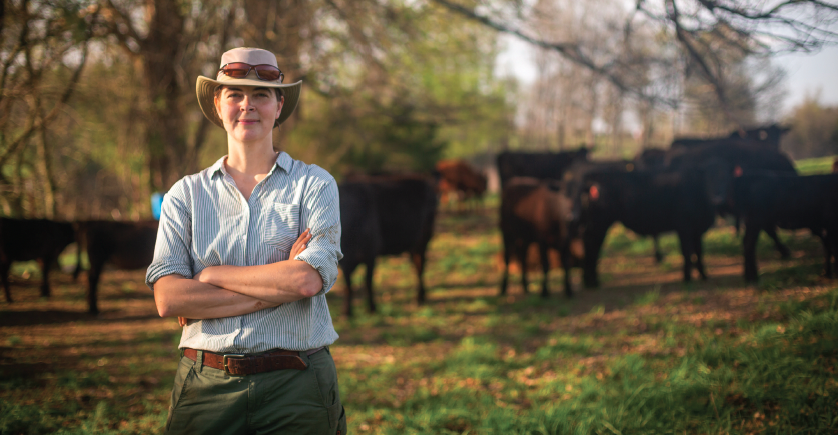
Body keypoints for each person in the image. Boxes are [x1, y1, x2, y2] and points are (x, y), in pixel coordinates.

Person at [146, 47, 346, 435]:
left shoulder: (314, 184)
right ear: (218, 104)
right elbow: (169, 298)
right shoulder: (183, 196)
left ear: (278, 104)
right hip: (206, 385)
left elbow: (308, 280)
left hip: (298, 384)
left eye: (260, 95)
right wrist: (279, 284)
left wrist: (211, 276)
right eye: (235, 94)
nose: (246, 105)